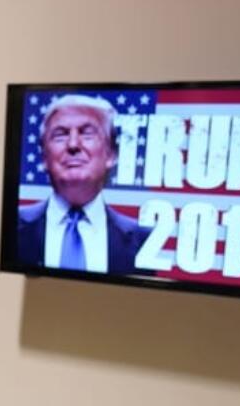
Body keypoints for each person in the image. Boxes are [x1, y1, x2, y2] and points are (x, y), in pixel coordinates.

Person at [16, 94, 149, 274]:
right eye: (60, 135)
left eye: (87, 133)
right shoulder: (13, 228)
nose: (73, 144)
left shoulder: (144, 240)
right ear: (44, 157)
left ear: (111, 154)